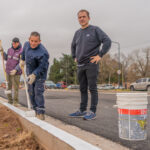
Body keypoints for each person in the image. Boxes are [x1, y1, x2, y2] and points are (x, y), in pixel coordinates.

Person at [69, 10, 111, 120]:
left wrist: (100, 55)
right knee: (82, 88)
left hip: (91, 64)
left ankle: (92, 111)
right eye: (79, 17)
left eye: (84, 16)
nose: (82, 19)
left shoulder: (95, 29)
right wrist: (74, 57)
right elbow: (73, 46)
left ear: (88, 18)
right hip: (80, 65)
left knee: (92, 88)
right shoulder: (77, 33)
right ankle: (82, 110)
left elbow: (107, 41)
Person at [20, 31, 49, 120]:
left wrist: (35, 74)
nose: (33, 43)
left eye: (36, 41)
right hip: (29, 71)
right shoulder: (26, 45)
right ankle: (34, 109)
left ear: (39, 41)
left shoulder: (43, 52)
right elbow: (24, 53)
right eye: (32, 41)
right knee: (31, 91)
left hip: (40, 73)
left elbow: (42, 66)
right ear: (29, 39)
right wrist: (22, 60)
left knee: (38, 92)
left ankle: (40, 113)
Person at [0, 38, 23, 105]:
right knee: (8, 87)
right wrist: (2, 51)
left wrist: (16, 69)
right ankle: (10, 101)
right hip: (8, 71)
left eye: (15, 43)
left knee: (16, 88)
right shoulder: (10, 50)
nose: (13, 44)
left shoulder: (21, 51)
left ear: (18, 43)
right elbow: (6, 58)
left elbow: (21, 63)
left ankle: (15, 102)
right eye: (13, 43)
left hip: (16, 73)